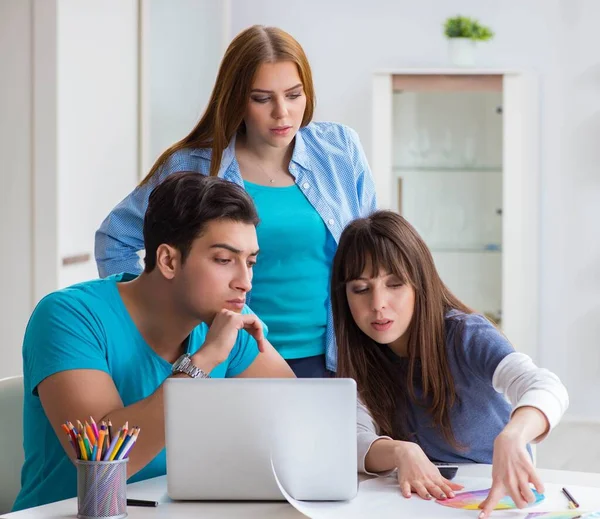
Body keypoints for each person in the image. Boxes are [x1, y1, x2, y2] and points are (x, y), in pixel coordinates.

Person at [95, 25, 377, 378]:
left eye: (293, 95)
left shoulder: (340, 149)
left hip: (340, 358)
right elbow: (115, 240)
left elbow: (376, 253)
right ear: (235, 99)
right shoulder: (193, 165)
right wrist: (161, 323)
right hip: (233, 363)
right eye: (262, 98)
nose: (282, 113)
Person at [13, 173, 294, 511]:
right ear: (168, 260)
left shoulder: (227, 319)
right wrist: (204, 361)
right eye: (224, 260)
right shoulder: (67, 317)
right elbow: (104, 465)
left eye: (250, 262)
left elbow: (299, 418)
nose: (245, 282)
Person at [331, 210, 569, 519]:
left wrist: (514, 434)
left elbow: (545, 385)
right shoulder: (360, 355)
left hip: (494, 502)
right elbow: (357, 440)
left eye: (395, 284)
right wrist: (401, 451)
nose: (378, 303)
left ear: (420, 284)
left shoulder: (465, 335)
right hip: (422, 503)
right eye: (361, 289)